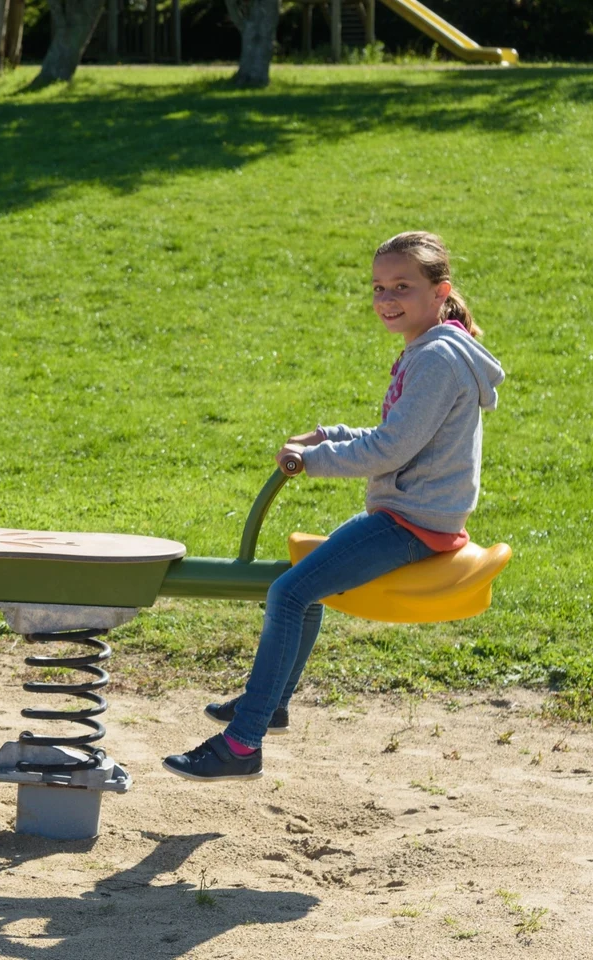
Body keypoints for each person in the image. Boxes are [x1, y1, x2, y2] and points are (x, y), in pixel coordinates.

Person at [164, 231, 506, 783]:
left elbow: (392, 449)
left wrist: (312, 462)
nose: (386, 298)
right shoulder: (429, 347)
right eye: (378, 287)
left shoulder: (438, 357)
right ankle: (270, 703)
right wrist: (329, 434)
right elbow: (400, 432)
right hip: (412, 512)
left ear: (440, 292)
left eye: (402, 286)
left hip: (412, 521)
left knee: (289, 592)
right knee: (307, 582)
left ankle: (242, 744)